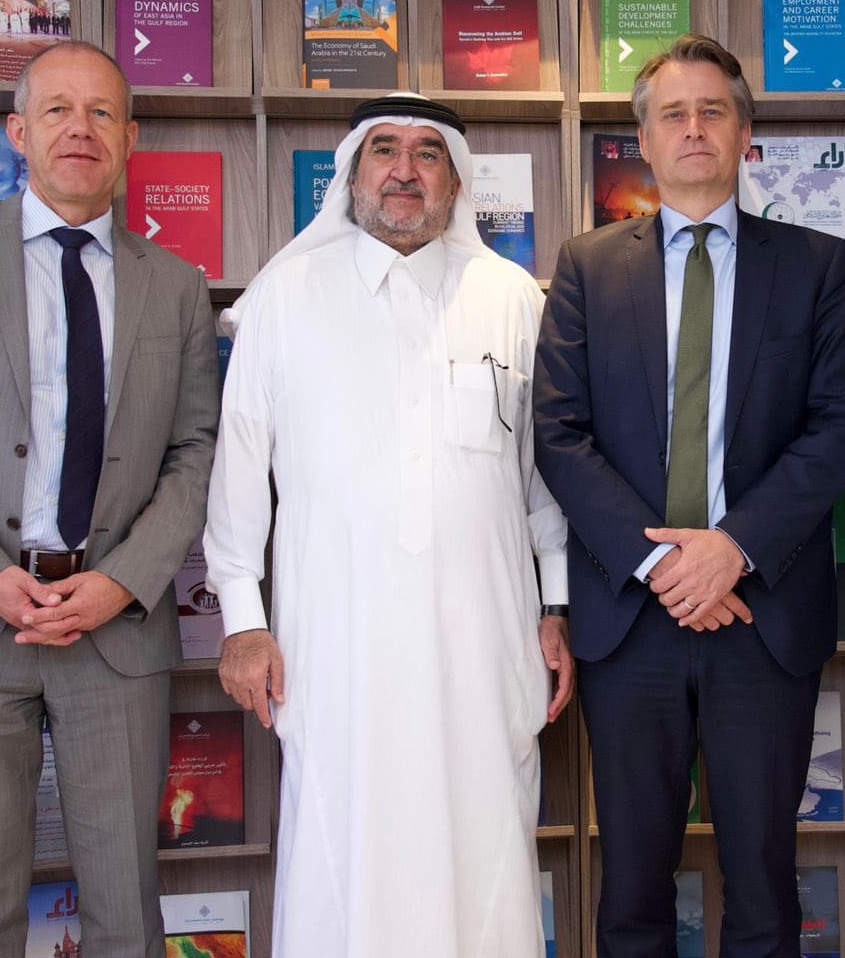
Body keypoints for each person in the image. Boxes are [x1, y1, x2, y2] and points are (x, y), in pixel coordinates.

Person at [207, 92, 573, 956]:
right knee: (341, 841)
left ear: (456, 180)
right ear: (351, 174)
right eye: (384, 150)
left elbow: (544, 476)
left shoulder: (510, 297)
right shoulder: (285, 296)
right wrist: (243, 624)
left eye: (426, 153)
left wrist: (556, 605)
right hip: (336, 645)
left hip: (483, 640)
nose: (404, 171)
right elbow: (239, 472)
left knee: (485, 834)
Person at [532, 34, 845, 956]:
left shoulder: (816, 264)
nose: (693, 129)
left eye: (712, 111)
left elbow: (836, 428)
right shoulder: (587, 266)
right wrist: (664, 565)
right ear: (643, 140)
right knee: (632, 884)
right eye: (672, 114)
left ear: (744, 133)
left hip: (761, 613)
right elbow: (558, 432)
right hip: (629, 619)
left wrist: (730, 551)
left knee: (764, 881)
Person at [0, 40, 219, 957]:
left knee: (126, 911)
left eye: (103, 112)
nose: (82, 128)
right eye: (57, 110)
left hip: (113, 631)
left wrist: (121, 582)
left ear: (130, 138)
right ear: (17, 132)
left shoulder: (176, 286)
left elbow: (196, 452)